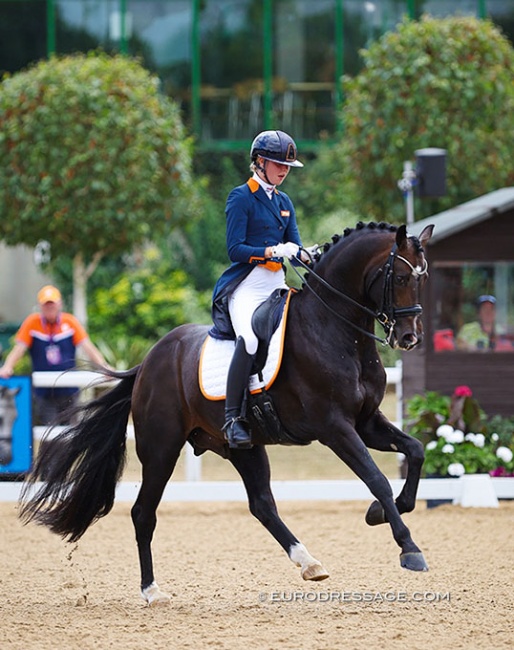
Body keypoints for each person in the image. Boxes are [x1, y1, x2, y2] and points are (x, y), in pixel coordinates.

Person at [211, 130, 311, 449]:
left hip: (276, 283)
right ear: (259, 162)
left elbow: (293, 242)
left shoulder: (284, 202)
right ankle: (232, 418)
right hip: (247, 284)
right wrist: (270, 252)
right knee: (250, 339)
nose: (284, 171)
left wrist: (306, 251)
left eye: (287, 166)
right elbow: (235, 248)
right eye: (279, 165)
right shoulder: (241, 196)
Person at [0, 285, 109, 425]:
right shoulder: (32, 323)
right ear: (40, 306)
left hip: (69, 389)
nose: (49, 307)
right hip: (44, 392)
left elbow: (88, 348)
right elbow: (18, 350)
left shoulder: (70, 322)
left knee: (71, 433)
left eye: (52, 304)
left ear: (60, 304)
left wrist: (104, 367)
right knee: (50, 433)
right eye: (46, 305)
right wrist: (7, 367)